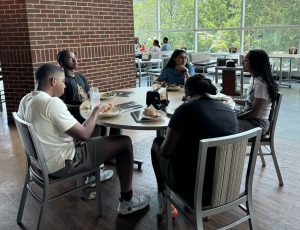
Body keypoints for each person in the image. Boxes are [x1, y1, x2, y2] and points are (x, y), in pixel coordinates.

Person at [17, 63, 150, 215]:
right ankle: (128, 201)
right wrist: (96, 111)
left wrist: (77, 135)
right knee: (124, 142)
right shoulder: (51, 103)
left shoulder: (26, 100)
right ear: (53, 81)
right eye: (63, 82)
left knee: (93, 134)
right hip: (62, 164)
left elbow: (59, 132)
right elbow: (85, 134)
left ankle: (95, 173)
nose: (65, 86)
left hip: (39, 164)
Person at [151, 74, 238, 209]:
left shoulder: (185, 110)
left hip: (192, 186)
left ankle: (164, 196)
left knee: (157, 143)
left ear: (187, 93)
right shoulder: (229, 111)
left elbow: (166, 152)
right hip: (224, 183)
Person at [57, 49, 114, 184]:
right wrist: (81, 107)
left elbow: (89, 94)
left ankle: (105, 156)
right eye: (70, 59)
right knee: (99, 124)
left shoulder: (80, 77)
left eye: (75, 57)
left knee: (108, 119)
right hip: (76, 117)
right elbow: (62, 104)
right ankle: (94, 171)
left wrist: (95, 100)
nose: (75, 60)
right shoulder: (63, 81)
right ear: (61, 63)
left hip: (87, 112)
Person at [234, 49, 278, 135]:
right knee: (223, 115)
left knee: (223, 124)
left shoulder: (261, 84)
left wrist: (235, 117)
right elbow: (249, 103)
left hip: (257, 124)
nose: (242, 62)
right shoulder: (254, 79)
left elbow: (254, 113)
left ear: (255, 63)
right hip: (252, 120)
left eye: (246, 60)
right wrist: (232, 99)